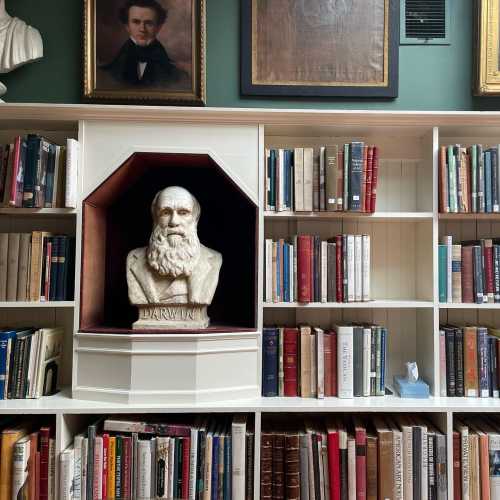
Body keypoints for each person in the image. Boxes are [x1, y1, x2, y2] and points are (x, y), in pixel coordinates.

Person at [126, 186, 222, 306]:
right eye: (165, 212)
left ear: (195, 219)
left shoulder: (214, 259)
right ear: (155, 218)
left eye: (183, 213)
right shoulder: (134, 259)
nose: (174, 222)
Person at [103, 0, 189, 87]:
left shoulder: (180, 76)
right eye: (136, 22)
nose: (142, 29)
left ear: (158, 27)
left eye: (149, 23)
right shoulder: (105, 74)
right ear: (127, 26)